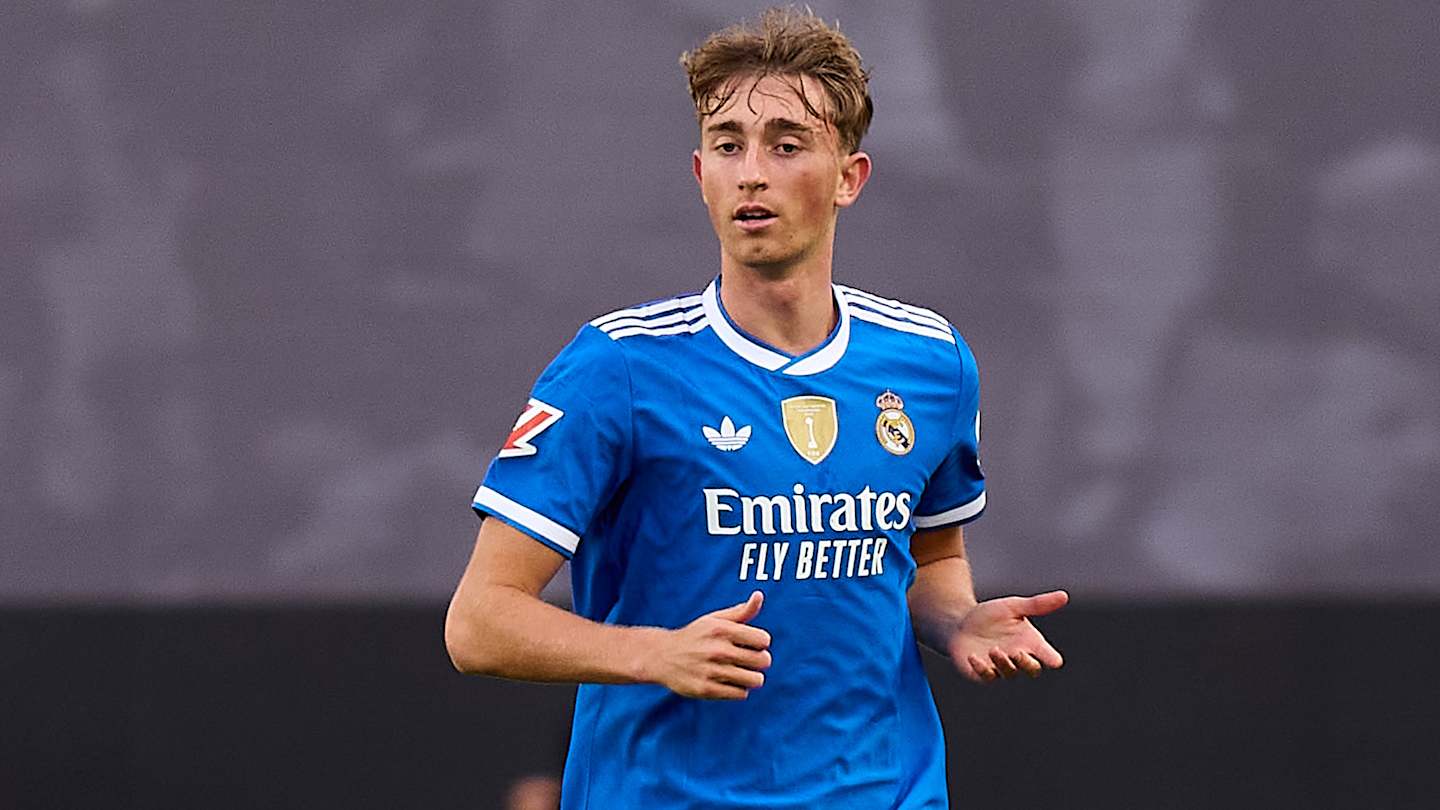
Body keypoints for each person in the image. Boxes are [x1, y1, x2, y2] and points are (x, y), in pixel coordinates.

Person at [445, 8, 1067, 808]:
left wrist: (957, 623)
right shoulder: (617, 368)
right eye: (728, 144)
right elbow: (479, 623)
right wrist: (653, 654)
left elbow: (932, 559)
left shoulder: (931, 362)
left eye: (786, 144)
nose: (751, 173)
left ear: (849, 177)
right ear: (700, 173)